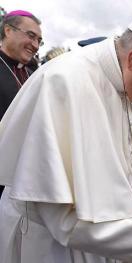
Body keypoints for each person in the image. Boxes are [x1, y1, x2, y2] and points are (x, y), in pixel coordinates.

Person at [0, 9, 132, 263]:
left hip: (100, 242)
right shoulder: (63, 82)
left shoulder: (130, 84)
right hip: (48, 246)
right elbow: (62, 217)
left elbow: (130, 167)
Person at [0, 10, 42, 196]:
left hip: (27, 172)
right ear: (8, 31)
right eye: (31, 36)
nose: (35, 45)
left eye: (39, 41)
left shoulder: (35, 72)